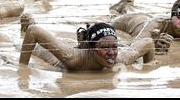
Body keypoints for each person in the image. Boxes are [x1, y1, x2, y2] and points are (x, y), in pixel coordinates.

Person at [19, 21, 155, 71]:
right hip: (50, 52)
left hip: (69, 43)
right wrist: (22, 69)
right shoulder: (72, 58)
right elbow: (33, 31)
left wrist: (149, 67)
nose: (112, 53)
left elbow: (148, 42)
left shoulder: (121, 59)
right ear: (91, 48)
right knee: (17, 43)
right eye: (105, 48)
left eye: (114, 46)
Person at [111, 0, 180, 54]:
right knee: (114, 18)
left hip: (145, 18)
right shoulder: (157, 24)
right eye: (179, 17)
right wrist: (153, 44)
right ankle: (124, 5)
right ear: (171, 16)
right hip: (132, 21)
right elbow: (135, 45)